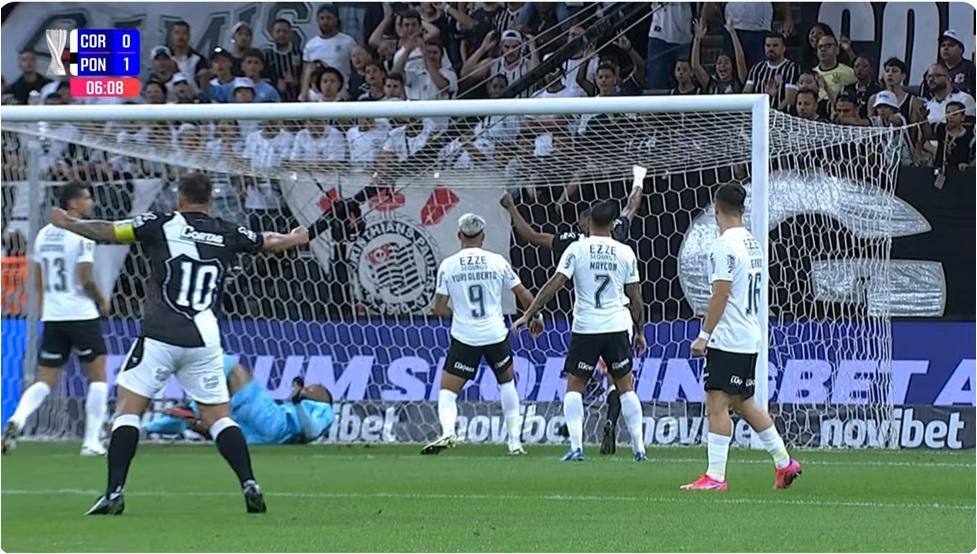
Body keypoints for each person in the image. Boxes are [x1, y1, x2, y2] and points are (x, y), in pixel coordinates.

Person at [48, 174, 310, 515]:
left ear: (179, 198)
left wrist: (70, 224)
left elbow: (108, 231)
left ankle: (114, 492)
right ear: (210, 200)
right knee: (219, 418)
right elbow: (269, 242)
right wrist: (295, 238)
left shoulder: (159, 223)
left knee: (128, 411)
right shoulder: (227, 231)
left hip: (160, 335)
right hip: (204, 338)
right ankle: (249, 482)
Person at [681, 183, 801, 491]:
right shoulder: (752, 242)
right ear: (742, 210)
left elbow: (721, 294)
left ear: (717, 208)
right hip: (749, 334)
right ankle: (784, 462)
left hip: (729, 336)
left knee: (717, 402)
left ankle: (715, 476)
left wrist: (704, 335)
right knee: (744, 402)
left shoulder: (723, 245)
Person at [514, 200, 647, 462]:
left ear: (589, 222)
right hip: (617, 326)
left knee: (575, 387)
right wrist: (640, 331)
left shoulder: (576, 248)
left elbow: (554, 284)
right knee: (626, 387)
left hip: (586, 328)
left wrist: (529, 314)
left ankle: (577, 447)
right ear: (612, 224)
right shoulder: (625, 252)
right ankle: (639, 450)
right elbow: (635, 297)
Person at [2, 183, 110, 457]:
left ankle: (17, 419)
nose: (91, 202)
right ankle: (91, 442)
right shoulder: (83, 234)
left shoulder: (43, 234)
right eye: (86, 198)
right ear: (72, 203)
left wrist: (45, 309)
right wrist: (101, 299)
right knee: (98, 378)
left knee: (45, 379)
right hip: (82, 315)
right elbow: (85, 277)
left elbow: (38, 280)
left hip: (53, 316)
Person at [421, 214, 542, 456]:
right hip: (495, 335)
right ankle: (514, 442)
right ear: (483, 237)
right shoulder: (497, 261)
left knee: (447, 392)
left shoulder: (448, 265)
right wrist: (535, 316)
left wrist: (457, 316)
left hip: (465, 337)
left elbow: (438, 308)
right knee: (507, 384)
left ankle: (448, 432)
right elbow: (522, 292)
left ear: (459, 235)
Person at [145, 356, 335, 445]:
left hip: (276, 425)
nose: (309, 386)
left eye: (314, 386)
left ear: (325, 396)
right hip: (259, 440)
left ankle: (193, 405)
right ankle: (145, 429)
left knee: (233, 369)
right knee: (200, 422)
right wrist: (296, 402)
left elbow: (311, 432)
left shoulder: (324, 410)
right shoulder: (297, 406)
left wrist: (298, 403)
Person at [742, 33, 799, 111]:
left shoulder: (792, 68)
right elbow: (746, 94)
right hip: (758, 112)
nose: (771, 49)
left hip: (782, 115)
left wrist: (773, 113)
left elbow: (790, 99)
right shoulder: (757, 68)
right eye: (768, 45)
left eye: (775, 45)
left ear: (784, 48)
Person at [692, 18, 748, 94]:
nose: (722, 65)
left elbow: (740, 60)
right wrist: (697, 39)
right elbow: (695, 66)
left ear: (732, 66)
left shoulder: (739, 81)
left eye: (726, 62)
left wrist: (733, 33)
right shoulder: (711, 83)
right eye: (719, 63)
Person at [920, 30, 976, 98]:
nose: (945, 48)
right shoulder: (932, 71)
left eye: (950, 45)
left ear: (961, 49)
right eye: (943, 45)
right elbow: (924, 97)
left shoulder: (970, 69)